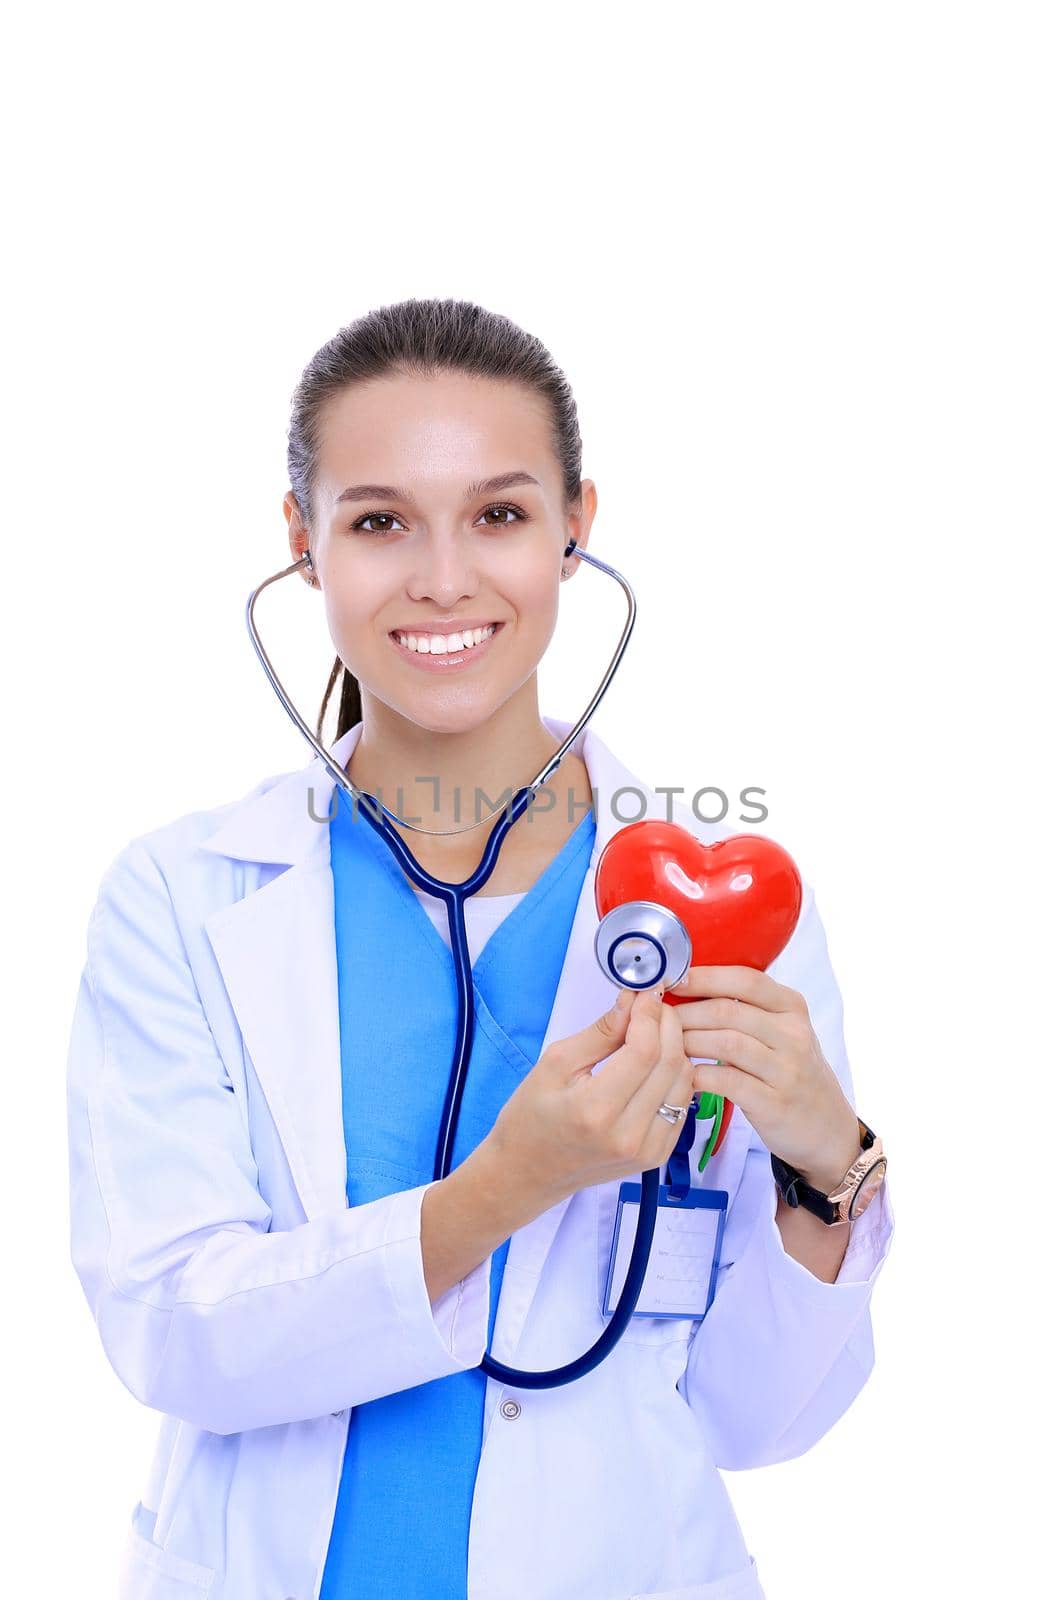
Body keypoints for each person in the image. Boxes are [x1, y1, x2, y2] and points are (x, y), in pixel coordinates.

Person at [65, 297, 895, 1600]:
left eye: (501, 514)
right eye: (381, 520)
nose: (443, 578)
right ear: (305, 544)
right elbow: (174, 1333)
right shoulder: (182, 897)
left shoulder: (728, 912)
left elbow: (759, 1423)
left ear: (578, 530)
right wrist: (505, 1187)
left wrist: (820, 1167)